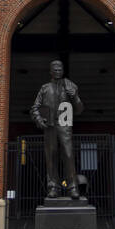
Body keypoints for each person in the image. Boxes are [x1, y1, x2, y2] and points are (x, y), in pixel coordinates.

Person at [29, 59, 85, 199]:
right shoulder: (45, 88)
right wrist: (39, 119)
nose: (58, 71)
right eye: (55, 69)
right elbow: (35, 107)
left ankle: (72, 187)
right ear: (50, 71)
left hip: (64, 125)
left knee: (68, 155)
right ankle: (53, 187)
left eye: (60, 69)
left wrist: (75, 97)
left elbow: (79, 110)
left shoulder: (71, 86)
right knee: (51, 157)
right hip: (50, 126)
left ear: (63, 70)